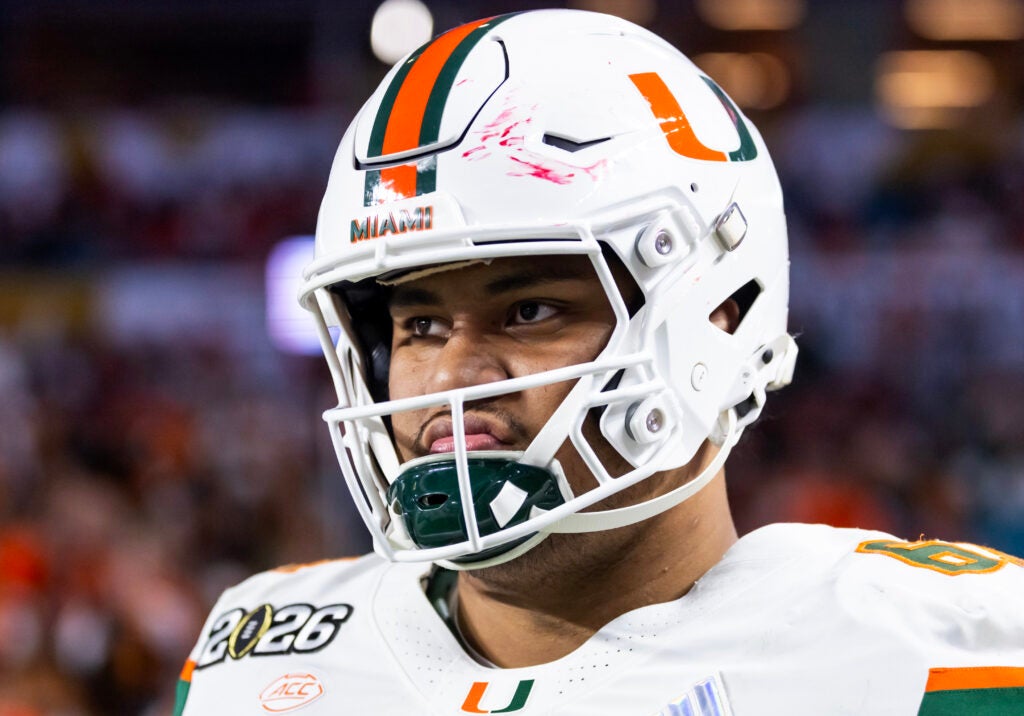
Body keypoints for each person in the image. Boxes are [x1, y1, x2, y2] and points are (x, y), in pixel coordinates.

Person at [174, 9, 1024, 715]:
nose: (451, 376)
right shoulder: (255, 658)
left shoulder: (943, 658)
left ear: (714, 317)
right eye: (421, 325)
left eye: (530, 310)